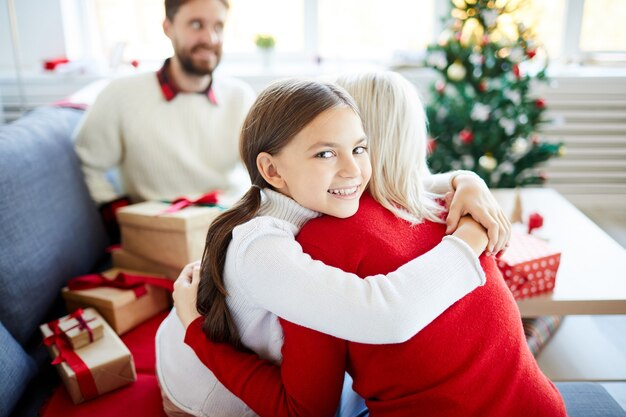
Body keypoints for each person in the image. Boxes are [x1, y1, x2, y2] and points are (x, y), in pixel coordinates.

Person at [175, 72, 566, 416]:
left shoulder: (333, 205)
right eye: (326, 151)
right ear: (272, 170)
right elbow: (386, 314)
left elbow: (393, 180)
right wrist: (471, 235)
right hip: (206, 391)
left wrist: (466, 180)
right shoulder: (276, 246)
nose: (352, 169)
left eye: (359, 148)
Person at [74, 0, 256, 206]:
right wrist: (114, 212)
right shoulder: (120, 94)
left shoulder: (240, 97)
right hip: (159, 227)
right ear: (168, 28)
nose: (210, 38)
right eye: (196, 24)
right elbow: (88, 163)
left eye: (218, 27)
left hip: (230, 223)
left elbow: (264, 169)